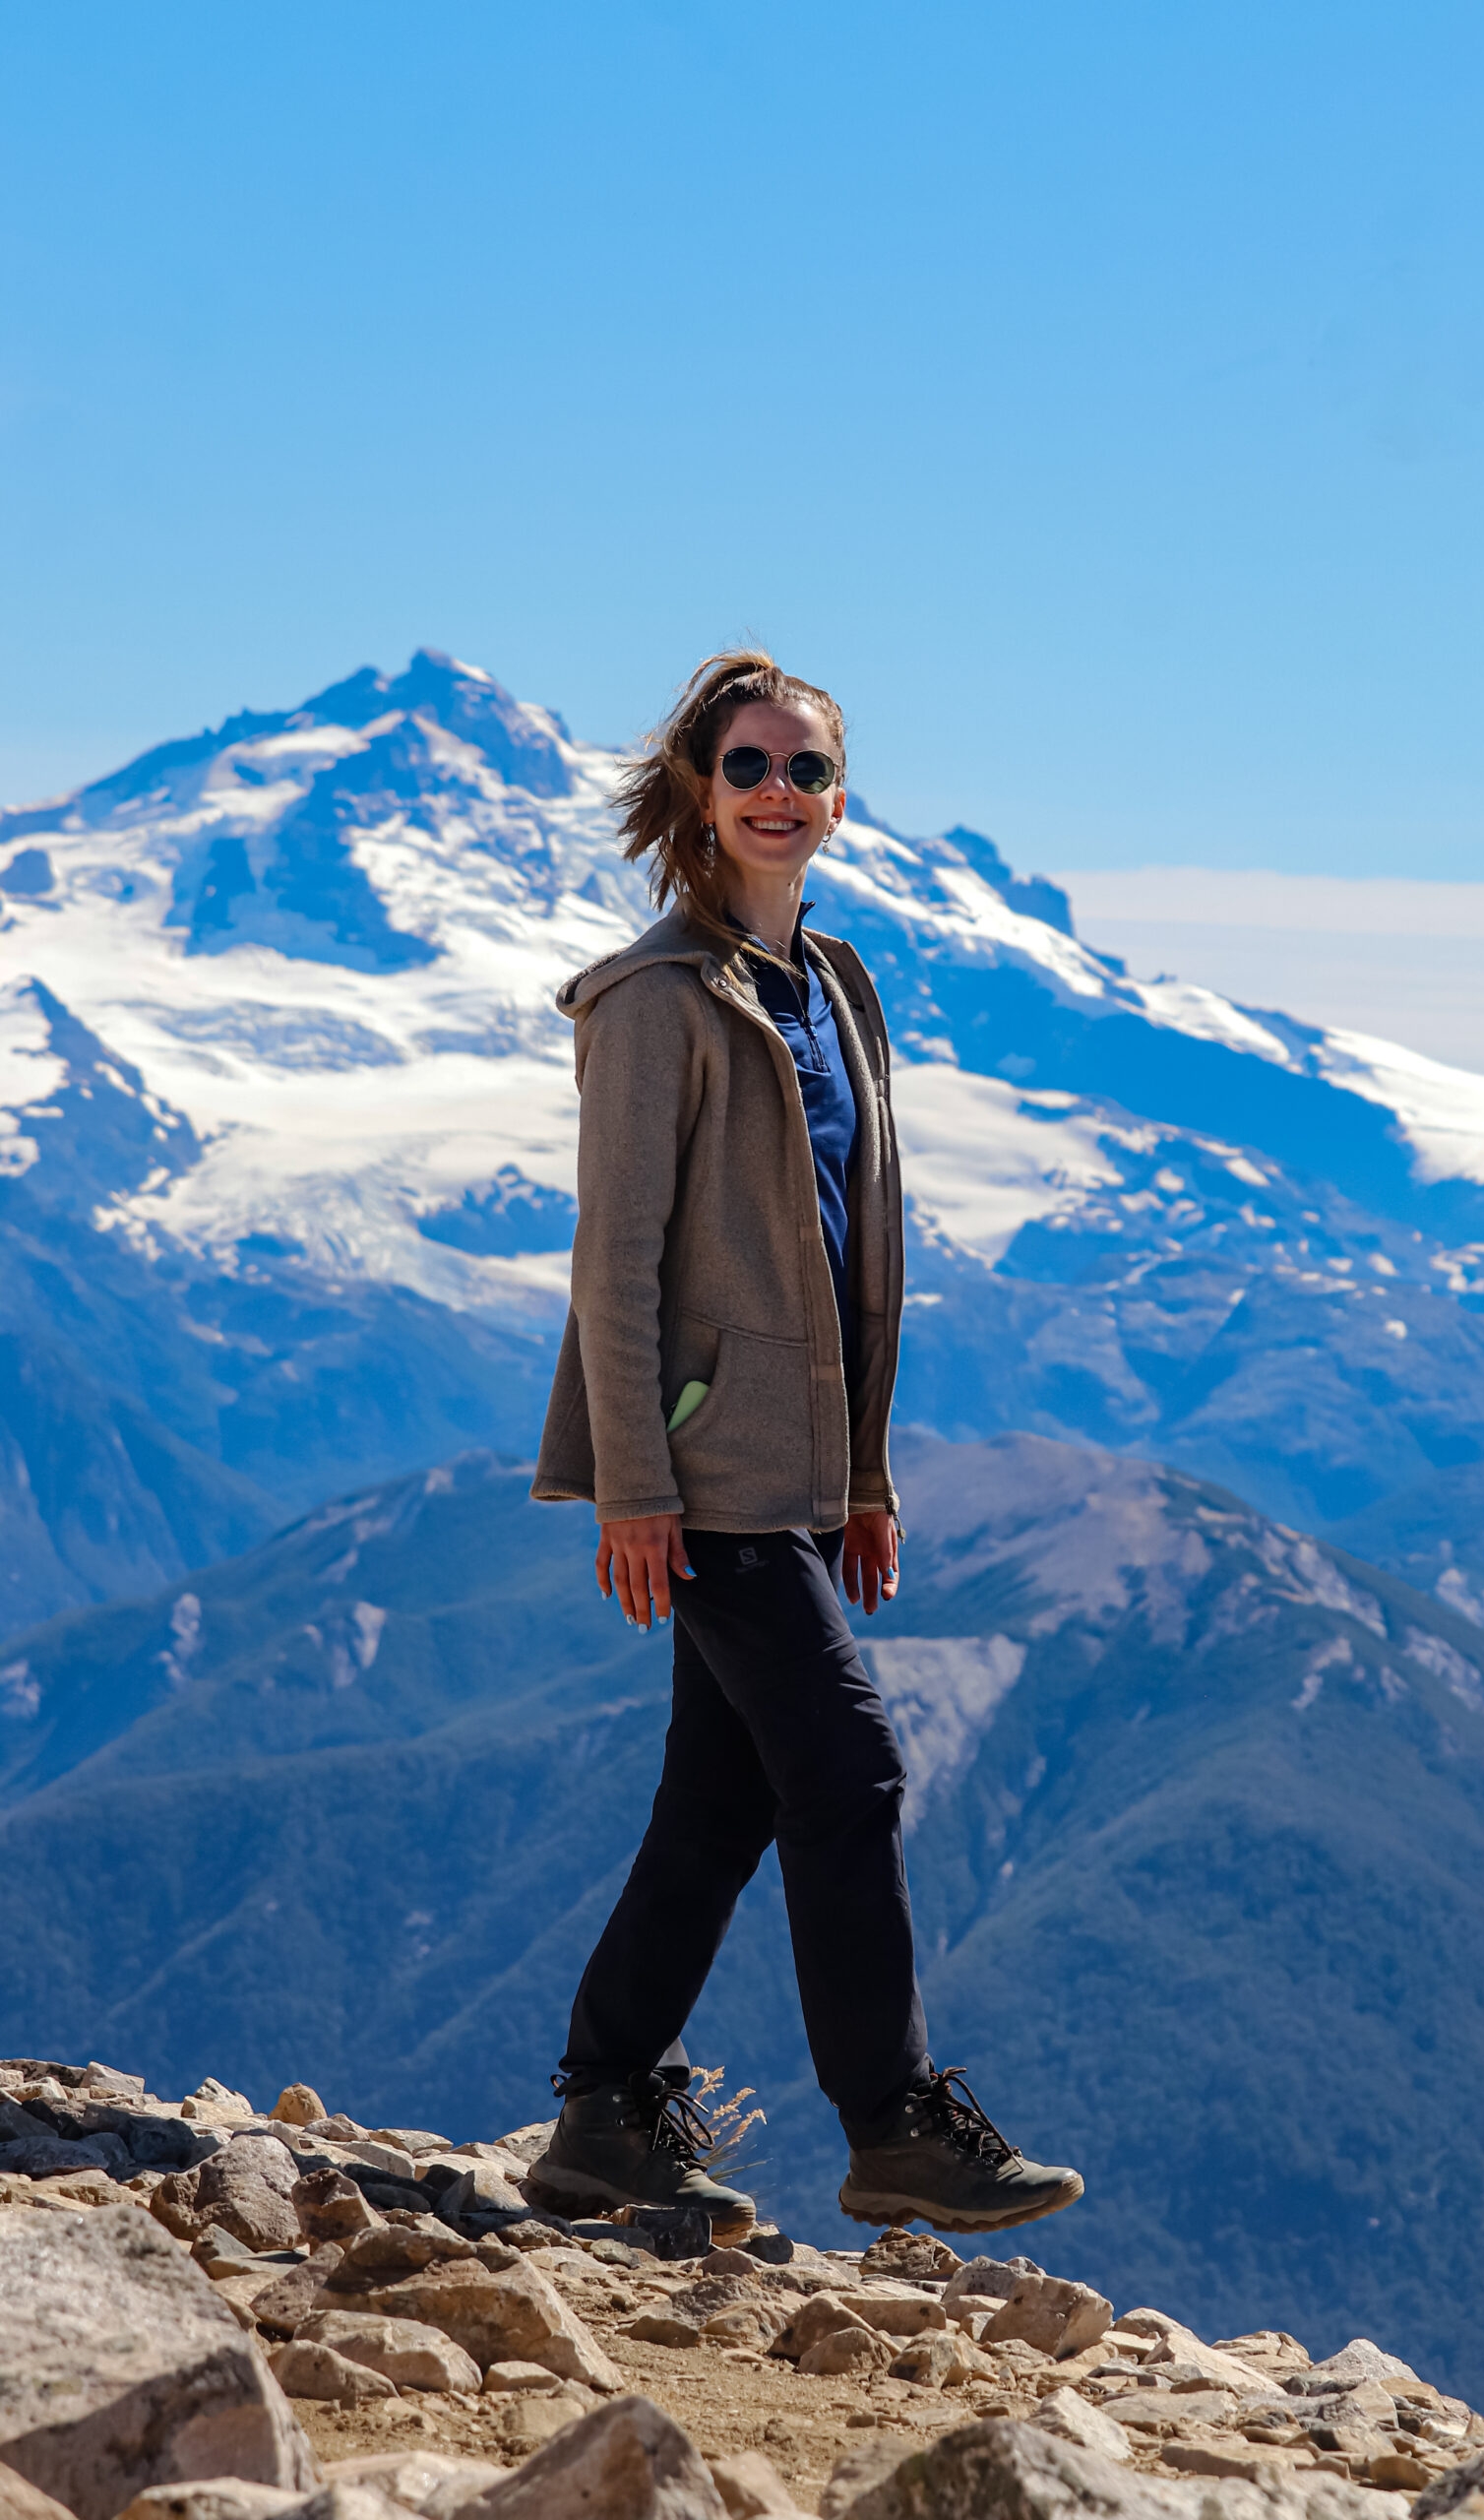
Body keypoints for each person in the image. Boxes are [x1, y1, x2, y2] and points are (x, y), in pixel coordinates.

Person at [527, 651, 1082, 2240]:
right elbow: (614, 1265)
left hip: (789, 1467)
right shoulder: (653, 1004)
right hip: (696, 1475)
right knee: (848, 1767)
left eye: (811, 770)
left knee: (726, 1802)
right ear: (700, 794)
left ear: (841, 800)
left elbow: (847, 1251)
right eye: (752, 765)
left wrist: (859, 1473)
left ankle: (605, 2113)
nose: (783, 792)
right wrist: (635, 1488)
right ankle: (893, 2123)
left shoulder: (836, 989)